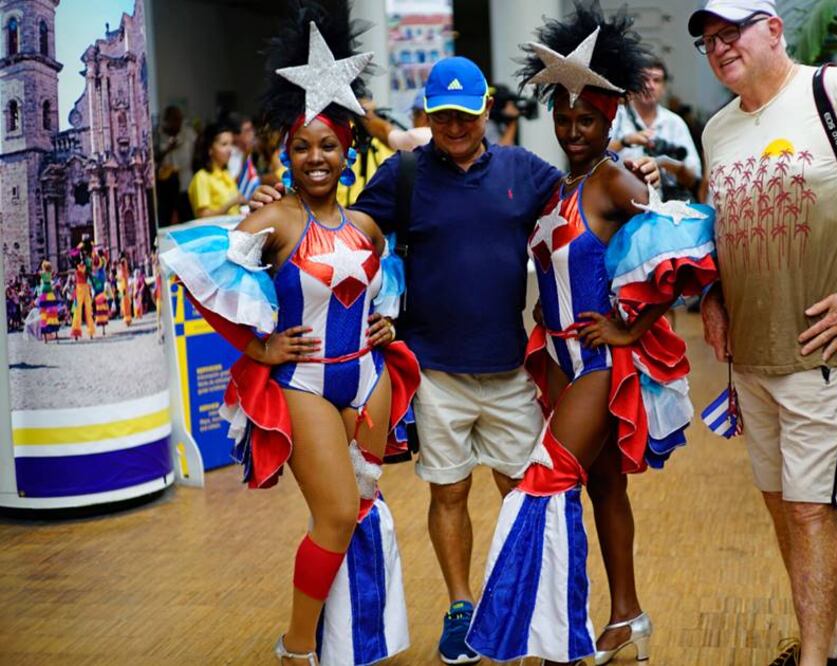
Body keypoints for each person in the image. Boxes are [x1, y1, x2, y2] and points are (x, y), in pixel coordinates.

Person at [251, 52, 659, 666]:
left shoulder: (528, 172)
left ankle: (528, 614)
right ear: (428, 114)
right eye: (442, 115)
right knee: (448, 495)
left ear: (486, 111)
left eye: (465, 114)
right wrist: (284, 199)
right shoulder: (405, 175)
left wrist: (637, 174)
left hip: (509, 371)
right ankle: (462, 609)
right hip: (436, 371)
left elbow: (598, 209)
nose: (455, 125)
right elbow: (343, 232)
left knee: (532, 494)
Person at [161, 4, 418, 665]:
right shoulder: (271, 219)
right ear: (285, 152)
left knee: (363, 507)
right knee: (334, 515)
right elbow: (198, 275)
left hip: (369, 377)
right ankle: (298, 648)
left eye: (327, 145)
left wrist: (387, 323)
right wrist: (256, 348)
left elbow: (380, 291)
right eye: (301, 146)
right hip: (302, 382)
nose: (314, 158)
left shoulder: (367, 227)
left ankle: (356, 638)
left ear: (347, 150)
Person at [465, 5, 716, 665]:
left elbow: (685, 242)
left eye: (588, 120)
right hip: (556, 362)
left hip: (601, 363)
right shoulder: (558, 188)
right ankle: (626, 615)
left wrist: (632, 327)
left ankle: (553, 633)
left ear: (610, 121)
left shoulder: (610, 180)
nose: (574, 131)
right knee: (603, 486)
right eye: (566, 118)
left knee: (543, 482)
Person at [690, 1, 837, 665]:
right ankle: (827, 639)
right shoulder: (716, 130)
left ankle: (815, 658)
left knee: (808, 510)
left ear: (771, 29)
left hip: (823, 349)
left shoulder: (832, 90)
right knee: (779, 505)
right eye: (707, 40)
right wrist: (710, 294)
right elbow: (718, 227)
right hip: (749, 358)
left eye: (729, 32)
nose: (717, 47)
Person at [609, 55, 701, 201]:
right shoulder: (615, 116)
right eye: (644, 79)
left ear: (664, 87)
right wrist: (624, 142)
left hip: (665, 207)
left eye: (656, 80)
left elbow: (693, 179)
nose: (649, 86)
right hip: (620, 201)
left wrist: (671, 165)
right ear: (633, 83)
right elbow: (593, 160)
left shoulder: (674, 122)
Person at [189, 123, 247, 218]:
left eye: (231, 144)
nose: (229, 149)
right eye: (224, 144)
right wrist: (230, 204)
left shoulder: (226, 174)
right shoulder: (202, 177)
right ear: (210, 149)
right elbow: (203, 215)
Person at [154, 105, 198, 224]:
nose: (177, 123)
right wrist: (167, 149)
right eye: (173, 119)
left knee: (188, 219)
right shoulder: (158, 135)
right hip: (165, 184)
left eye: (179, 119)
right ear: (166, 120)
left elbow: (196, 153)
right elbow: (153, 157)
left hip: (185, 183)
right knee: (164, 218)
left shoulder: (189, 134)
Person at [35, 260, 60, 342]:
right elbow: (53, 273)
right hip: (49, 292)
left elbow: (37, 272)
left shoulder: (42, 274)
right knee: (52, 314)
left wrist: (40, 267)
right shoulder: (50, 274)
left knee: (44, 314)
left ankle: (45, 338)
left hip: (43, 293)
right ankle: (55, 334)